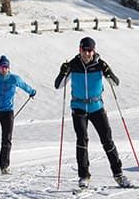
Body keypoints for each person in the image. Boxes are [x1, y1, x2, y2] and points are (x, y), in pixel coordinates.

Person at [54, 36, 133, 189]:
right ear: (80, 50)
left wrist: (109, 73)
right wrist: (62, 72)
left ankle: (119, 175)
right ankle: (84, 176)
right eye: (85, 50)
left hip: (97, 107)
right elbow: (59, 85)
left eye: (90, 50)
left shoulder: (100, 65)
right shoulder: (73, 65)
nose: (87, 54)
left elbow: (115, 83)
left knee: (107, 140)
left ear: (94, 51)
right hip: (79, 107)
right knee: (82, 140)